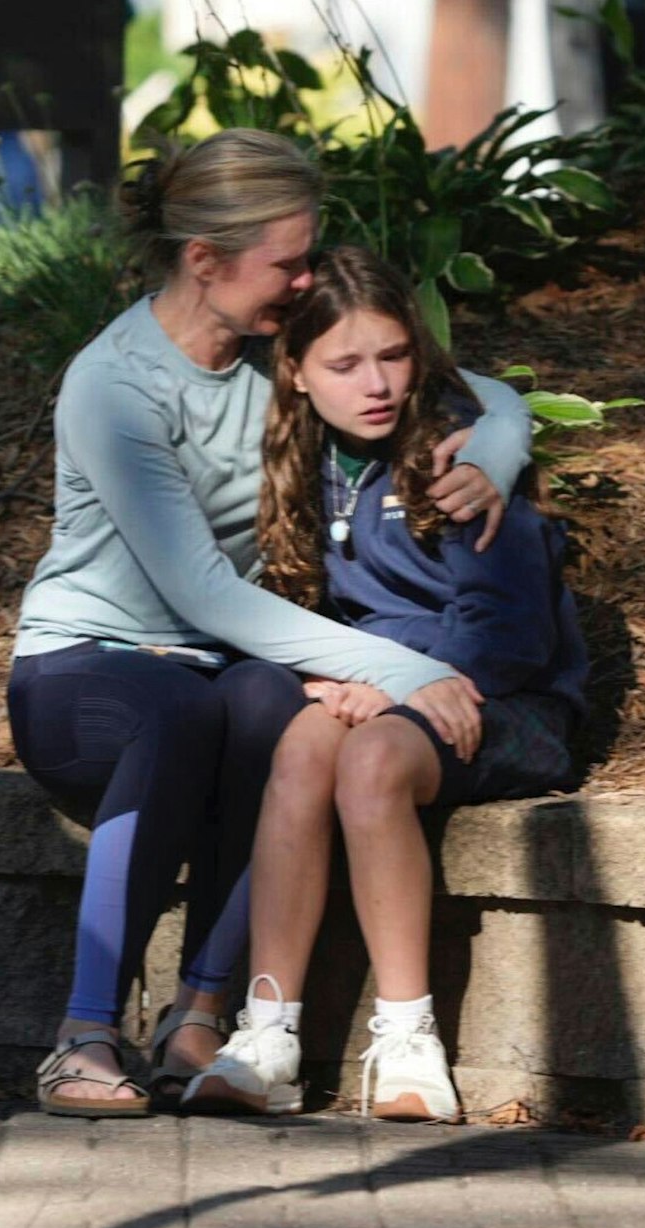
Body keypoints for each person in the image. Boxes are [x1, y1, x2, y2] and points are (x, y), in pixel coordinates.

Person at [8, 129, 533, 1116]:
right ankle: (82, 1036)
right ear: (203, 262)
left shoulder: (271, 356)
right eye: (285, 263)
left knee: (273, 713)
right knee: (181, 712)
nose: (302, 281)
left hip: (227, 666)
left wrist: (495, 453)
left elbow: (478, 391)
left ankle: (198, 1012)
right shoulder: (113, 385)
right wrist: (407, 667)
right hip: (85, 670)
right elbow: (204, 594)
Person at [172, 245, 587, 1123]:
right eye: (345, 363)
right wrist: (332, 677)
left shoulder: (463, 451)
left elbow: (508, 633)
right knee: (302, 747)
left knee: (369, 764)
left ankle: (407, 1038)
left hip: (506, 698)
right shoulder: (299, 455)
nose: (377, 385)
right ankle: (269, 1032)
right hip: (382, 694)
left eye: (394, 356)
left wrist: (395, 689)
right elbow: (277, 603)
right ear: (295, 372)